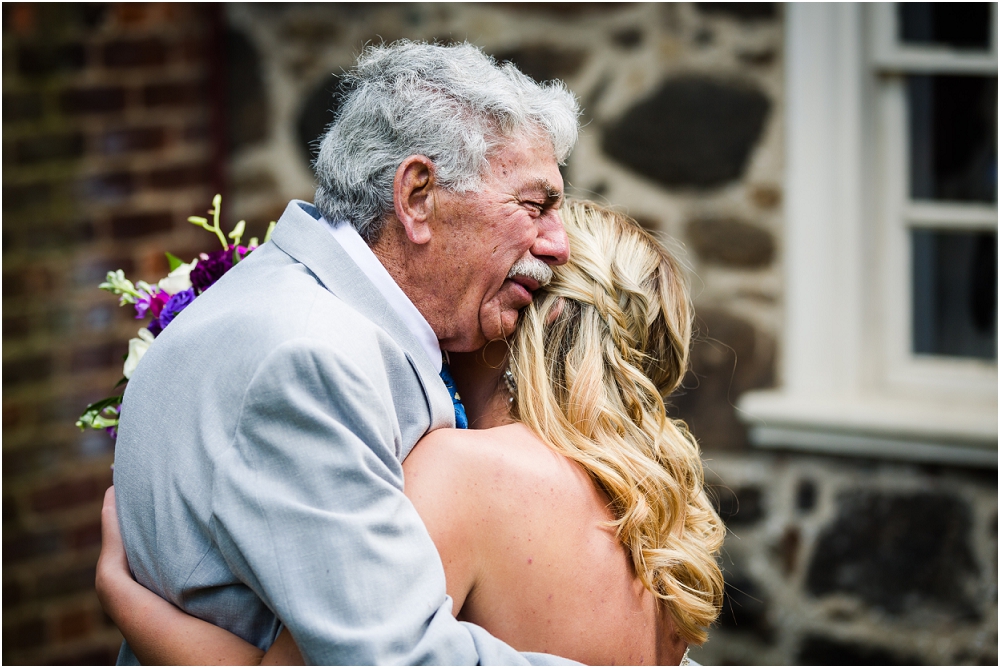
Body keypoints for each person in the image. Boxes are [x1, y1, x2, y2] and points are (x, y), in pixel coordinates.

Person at [111, 40, 581, 665]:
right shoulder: (310, 357)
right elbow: (396, 657)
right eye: (535, 205)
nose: (559, 244)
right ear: (416, 197)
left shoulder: (318, 316)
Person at [97, 201, 725, 665]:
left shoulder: (463, 473)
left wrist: (127, 599)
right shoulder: (661, 512)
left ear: (546, 313)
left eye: (516, 281)